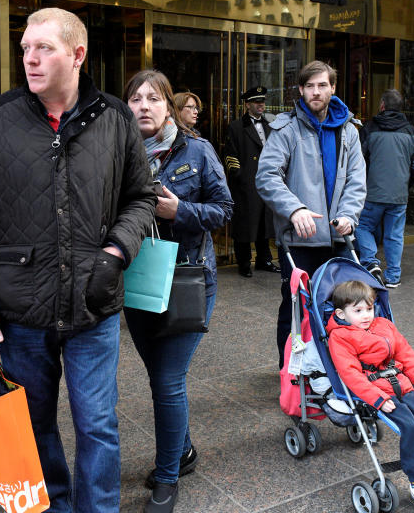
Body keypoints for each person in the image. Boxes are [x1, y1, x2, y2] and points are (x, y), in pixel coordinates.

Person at [0, 7, 155, 513]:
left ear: (78, 55)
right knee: (34, 424)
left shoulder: (114, 118)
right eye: (25, 48)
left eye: (44, 48)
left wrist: (117, 250)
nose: (30, 58)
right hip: (20, 311)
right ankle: (53, 506)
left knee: (98, 426)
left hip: (94, 305)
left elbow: (142, 197)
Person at [123, 70, 233, 513]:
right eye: (135, 98)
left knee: (168, 381)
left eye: (153, 98)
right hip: (137, 282)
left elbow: (225, 209)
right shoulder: (120, 153)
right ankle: (182, 450)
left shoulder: (197, 151)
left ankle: (168, 475)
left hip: (187, 283)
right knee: (159, 378)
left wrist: (179, 209)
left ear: (170, 106)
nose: (143, 106)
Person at [256, 61, 366, 368]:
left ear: (333, 88)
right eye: (309, 86)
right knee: (296, 310)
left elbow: (357, 180)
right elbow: (266, 176)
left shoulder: (349, 131)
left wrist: (349, 215)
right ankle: (289, 374)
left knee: (341, 309)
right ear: (301, 90)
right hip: (300, 240)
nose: (315, 92)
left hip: (338, 237)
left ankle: (331, 371)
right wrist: (295, 209)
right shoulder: (286, 128)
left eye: (322, 85)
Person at [327, 280, 414, 513]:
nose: (366, 315)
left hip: (404, 387)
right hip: (379, 394)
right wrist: (377, 399)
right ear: (341, 313)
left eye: (369, 308)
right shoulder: (340, 337)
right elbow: (351, 375)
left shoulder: (384, 325)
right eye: (357, 311)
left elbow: (408, 357)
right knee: (412, 428)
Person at [354, 89, 414, 288]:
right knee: (394, 234)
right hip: (399, 194)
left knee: (363, 226)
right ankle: (393, 276)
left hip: (372, 192)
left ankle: (371, 262)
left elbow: (359, 160)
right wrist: (405, 184)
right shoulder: (411, 131)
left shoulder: (370, 128)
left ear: (382, 105)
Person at [223, 86, 280, 277]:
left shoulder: (270, 125)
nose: (261, 105)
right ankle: (244, 263)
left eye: (262, 101)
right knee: (246, 225)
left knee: (264, 222)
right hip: (246, 183)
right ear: (247, 105)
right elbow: (230, 155)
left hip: (267, 181)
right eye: (256, 102)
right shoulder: (237, 126)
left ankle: (264, 260)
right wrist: (239, 175)